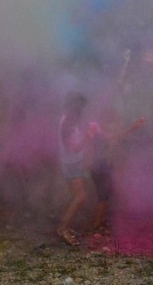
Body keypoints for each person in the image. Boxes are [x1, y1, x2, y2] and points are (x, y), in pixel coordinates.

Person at [88, 110, 146, 233]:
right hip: (99, 169)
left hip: (103, 168)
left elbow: (115, 140)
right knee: (103, 198)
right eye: (114, 122)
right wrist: (132, 128)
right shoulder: (100, 134)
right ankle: (96, 226)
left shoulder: (102, 133)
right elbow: (114, 138)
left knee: (106, 196)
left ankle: (101, 223)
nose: (116, 124)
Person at [56, 91, 91, 246]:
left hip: (72, 162)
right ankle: (62, 229)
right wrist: (88, 137)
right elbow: (75, 148)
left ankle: (66, 227)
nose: (83, 109)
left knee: (76, 197)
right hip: (71, 164)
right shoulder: (68, 123)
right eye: (81, 106)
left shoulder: (69, 119)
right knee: (80, 197)